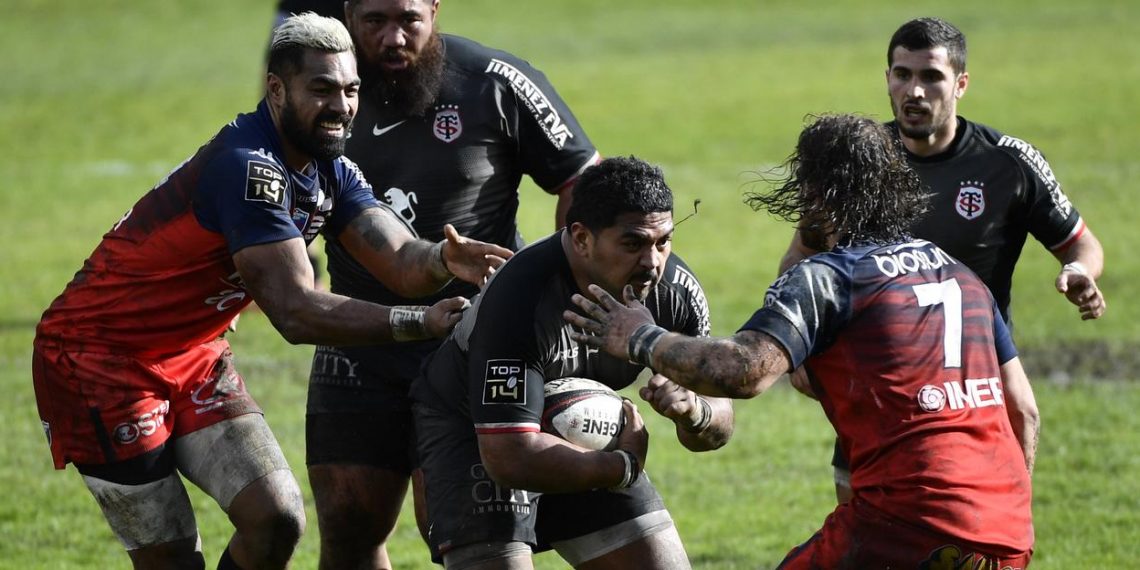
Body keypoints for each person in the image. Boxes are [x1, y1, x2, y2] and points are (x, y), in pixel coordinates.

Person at [30, 13, 510, 570]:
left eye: (351, 89)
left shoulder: (329, 167)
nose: (341, 106)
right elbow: (296, 311)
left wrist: (442, 259)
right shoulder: (248, 170)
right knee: (172, 560)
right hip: (97, 360)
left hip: (193, 354)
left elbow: (401, 259)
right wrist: (417, 322)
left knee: (276, 518)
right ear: (276, 90)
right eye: (322, 89)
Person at [566, 115, 1039, 569]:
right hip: (1006, 530)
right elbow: (1023, 410)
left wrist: (640, 336)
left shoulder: (832, 278)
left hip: (908, 524)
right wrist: (1004, 514)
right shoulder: (961, 276)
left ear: (815, 195)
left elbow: (743, 370)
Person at [305, 1, 603, 568]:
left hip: (472, 346)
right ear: (347, 13)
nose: (393, 38)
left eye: (408, 19)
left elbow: (583, 178)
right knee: (348, 525)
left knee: (467, 535)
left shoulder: (495, 81)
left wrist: (557, 284)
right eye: (373, 21)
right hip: (359, 343)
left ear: (434, 9)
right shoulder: (320, 92)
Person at [779, 16, 1101, 502]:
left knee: (972, 533)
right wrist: (795, 343)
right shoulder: (860, 163)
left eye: (931, 76)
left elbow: (1081, 244)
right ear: (886, 77)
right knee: (866, 540)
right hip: (876, 397)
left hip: (972, 391)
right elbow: (801, 256)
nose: (914, 91)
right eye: (902, 74)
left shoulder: (1006, 163)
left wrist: (1077, 271)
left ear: (961, 84)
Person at [409, 156, 734, 569]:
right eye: (633, 243)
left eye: (663, 241)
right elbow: (509, 454)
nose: (653, 263)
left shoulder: (675, 294)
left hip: (580, 435)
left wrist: (696, 412)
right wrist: (619, 467)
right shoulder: (519, 298)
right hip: (474, 433)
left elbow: (721, 422)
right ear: (581, 239)